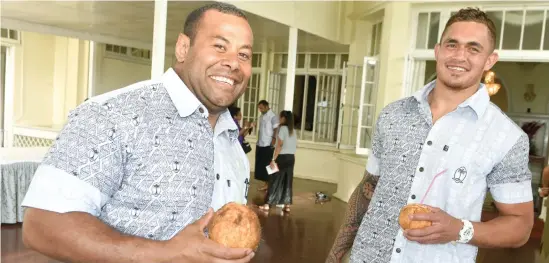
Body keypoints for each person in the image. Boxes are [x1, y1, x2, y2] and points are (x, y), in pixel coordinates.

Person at [20, 3, 256, 263]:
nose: (233, 63)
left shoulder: (232, 141)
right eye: (220, 46)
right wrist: (165, 254)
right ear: (183, 48)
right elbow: (43, 224)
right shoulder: (110, 114)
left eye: (244, 55)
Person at [327, 7, 533, 263]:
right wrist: (336, 254)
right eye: (452, 44)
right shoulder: (394, 114)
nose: (460, 56)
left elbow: (521, 226)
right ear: (438, 50)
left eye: (473, 48)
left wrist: (459, 229)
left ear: (490, 60)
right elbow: (367, 189)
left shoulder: (506, 137)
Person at [260, 110, 297, 212]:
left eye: (280, 117)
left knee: (274, 180)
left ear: (284, 119)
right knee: (288, 181)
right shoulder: (293, 131)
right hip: (291, 158)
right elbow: (294, 146)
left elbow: (279, 145)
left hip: (281, 158)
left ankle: (267, 204)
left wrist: (273, 159)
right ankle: (287, 205)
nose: (279, 119)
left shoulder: (282, 129)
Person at [255, 100, 279, 191]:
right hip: (261, 143)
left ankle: (272, 185)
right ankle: (266, 184)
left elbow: (276, 128)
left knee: (270, 164)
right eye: (259, 108)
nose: (260, 110)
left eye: (261, 108)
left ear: (266, 106)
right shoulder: (262, 116)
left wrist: (273, 140)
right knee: (263, 165)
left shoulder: (272, 116)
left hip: (268, 144)